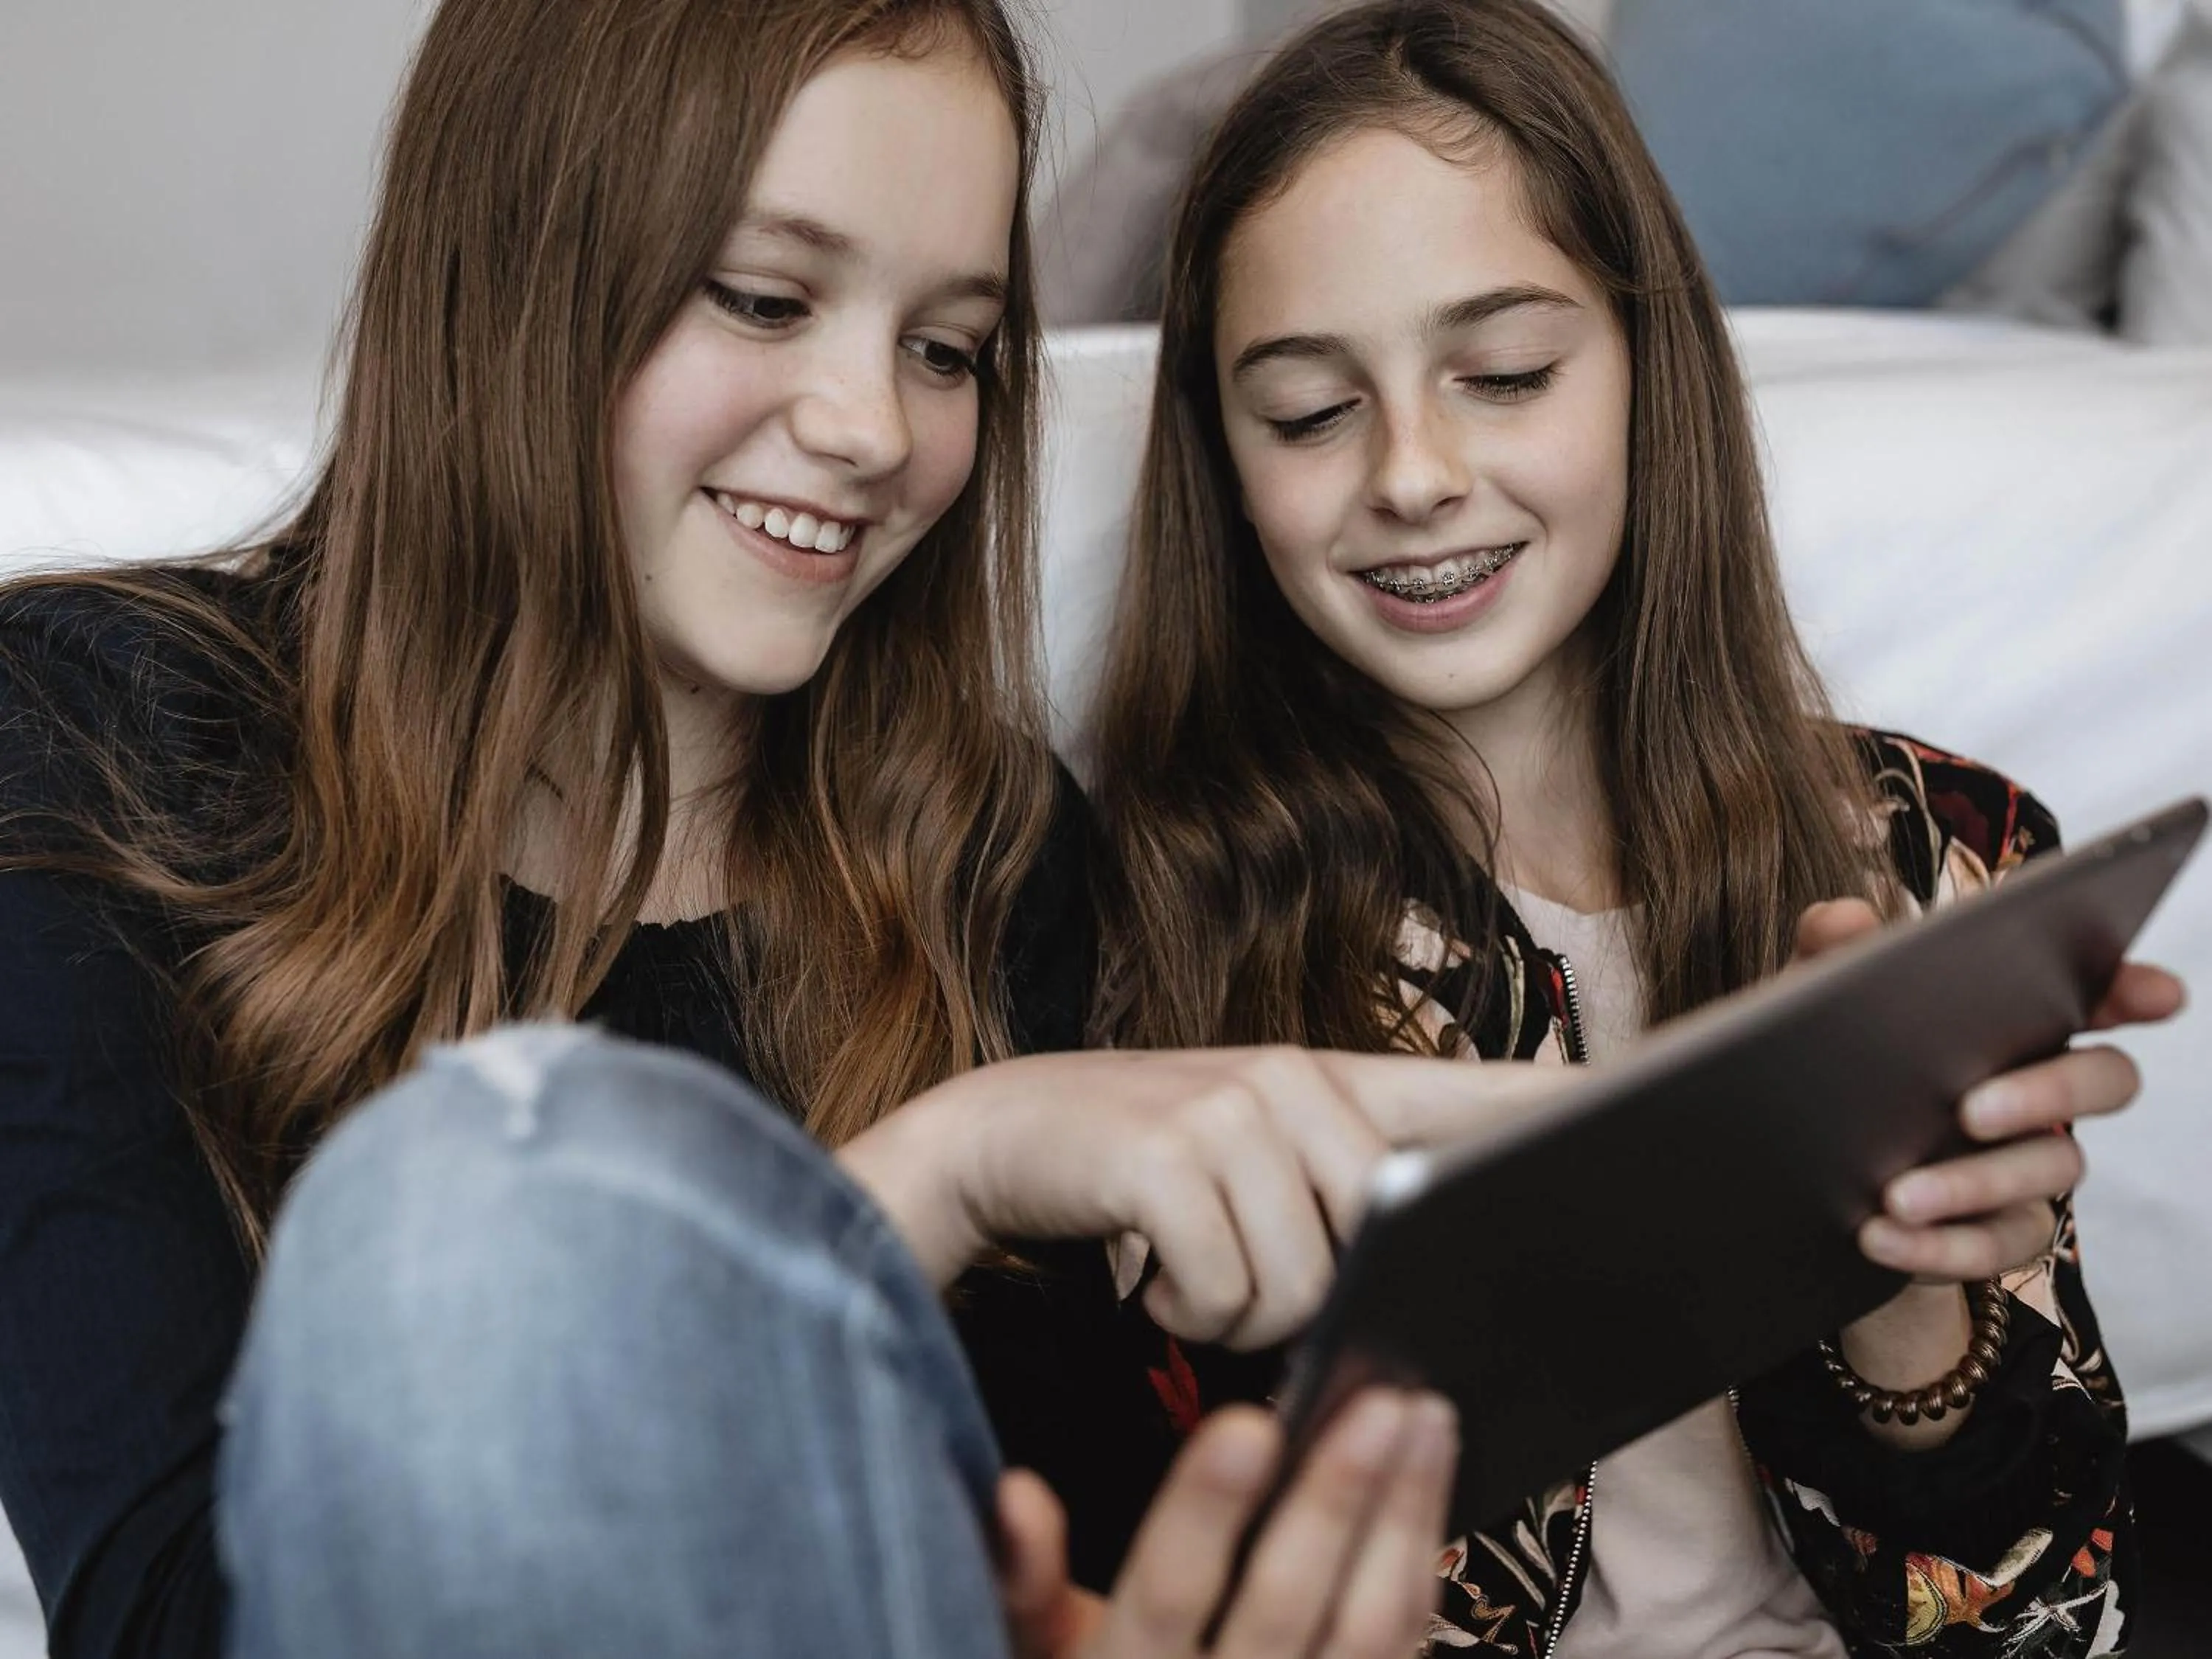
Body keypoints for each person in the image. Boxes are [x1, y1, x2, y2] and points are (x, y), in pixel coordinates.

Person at [0, 0, 1539, 1652]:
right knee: (462, 1191)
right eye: (764, 298)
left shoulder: (986, 844)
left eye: (945, 349)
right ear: (514, 267)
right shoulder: (90, 732)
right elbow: (175, 1622)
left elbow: (1039, 1563)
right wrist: (936, 1177)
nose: (874, 429)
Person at [1082, 1, 2185, 1654]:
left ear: (1646, 369)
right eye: (1309, 411)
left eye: (1506, 376)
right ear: (1224, 465)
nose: (1413, 474)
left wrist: (1906, 1315)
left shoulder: (1932, 851)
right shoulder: (1141, 929)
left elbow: (2051, 1622)